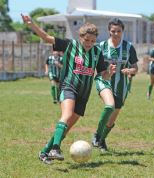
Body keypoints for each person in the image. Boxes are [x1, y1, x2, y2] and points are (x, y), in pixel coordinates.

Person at [21, 14, 115, 164]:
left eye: (92, 41)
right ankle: (55, 149)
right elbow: (46, 38)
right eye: (87, 40)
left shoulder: (97, 53)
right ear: (80, 37)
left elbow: (103, 75)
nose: (89, 43)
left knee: (67, 127)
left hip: (84, 94)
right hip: (68, 87)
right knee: (66, 114)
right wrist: (31, 24)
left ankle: (45, 151)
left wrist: (109, 72)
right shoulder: (70, 45)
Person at [92, 18, 138, 151]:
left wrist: (130, 70)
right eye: (113, 31)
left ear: (122, 31)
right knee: (109, 106)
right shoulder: (101, 47)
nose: (116, 34)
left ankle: (102, 140)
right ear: (108, 31)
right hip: (104, 81)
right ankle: (97, 134)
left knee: (113, 115)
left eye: (118, 31)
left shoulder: (128, 47)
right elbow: (93, 64)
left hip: (121, 85)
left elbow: (135, 67)